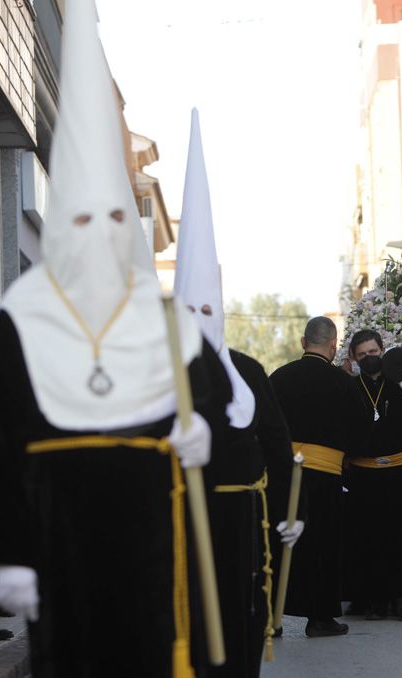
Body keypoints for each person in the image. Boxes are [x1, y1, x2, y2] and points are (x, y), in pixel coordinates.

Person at [0, 3, 225, 675]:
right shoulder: (26, 319)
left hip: (145, 523)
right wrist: (6, 554)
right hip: (58, 524)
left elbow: (195, 409)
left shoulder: (156, 317)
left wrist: (193, 440)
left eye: (113, 218)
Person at [173, 108, 302, 678]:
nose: (202, 319)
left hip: (246, 522)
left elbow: (278, 448)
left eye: (209, 308)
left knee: (243, 617)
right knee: (191, 625)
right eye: (191, 309)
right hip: (183, 518)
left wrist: (284, 519)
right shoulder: (161, 370)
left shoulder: (248, 369)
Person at [270, 317, 368, 638]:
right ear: (333, 346)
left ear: (302, 342)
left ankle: (273, 619)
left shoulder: (278, 377)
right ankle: (321, 618)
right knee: (323, 545)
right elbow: (361, 430)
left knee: (281, 543)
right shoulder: (343, 383)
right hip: (325, 474)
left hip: (284, 474)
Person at [343, 330, 402, 622]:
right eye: (362, 354)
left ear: (382, 350)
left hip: (399, 470)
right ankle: (375, 599)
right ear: (354, 358)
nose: (369, 358)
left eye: (373, 352)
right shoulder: (350, 387)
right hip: (364, 473)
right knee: (369, 536)